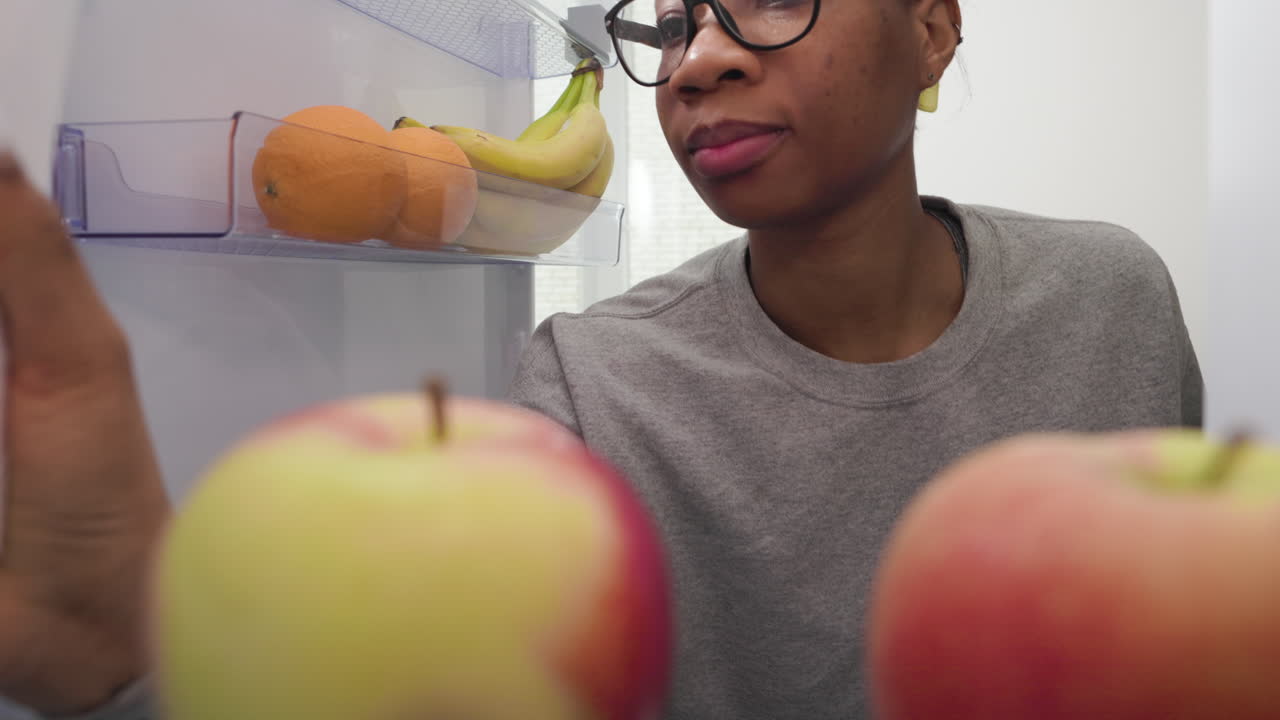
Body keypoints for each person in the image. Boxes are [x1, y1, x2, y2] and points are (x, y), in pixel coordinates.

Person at [0, 0, 1201, 718]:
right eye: (670, 25)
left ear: (932, 26)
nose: (693, 64)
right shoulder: (588, 381)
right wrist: (132, 678)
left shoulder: (1109, 299)